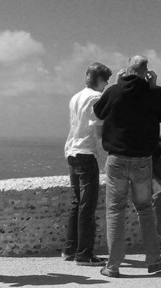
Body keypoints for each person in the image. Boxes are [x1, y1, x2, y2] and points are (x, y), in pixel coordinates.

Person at [92, 56, 161, 277]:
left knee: (115, 210)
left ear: (127, 69)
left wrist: (117, 83)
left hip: (117, 159)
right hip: (143, 161)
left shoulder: (115, 91)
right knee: (145, 209)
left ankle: (113, 265)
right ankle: (154, 260)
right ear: (147, 71)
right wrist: (155, 87)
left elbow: (99, 111)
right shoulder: (153, 92)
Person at [62, 62, 111, 266]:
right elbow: (98, 131)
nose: (107, 84)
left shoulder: (76, 96)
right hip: (86, 152)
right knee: (87, 205)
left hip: (71, 151)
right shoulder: (97, 98)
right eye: (106, 80)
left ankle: (70, 249)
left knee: (76, 202)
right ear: (100, 80)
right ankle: (84, 253)